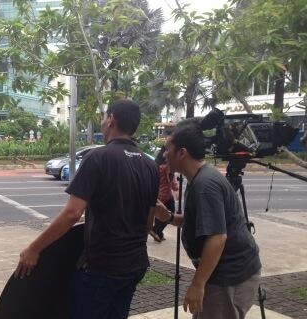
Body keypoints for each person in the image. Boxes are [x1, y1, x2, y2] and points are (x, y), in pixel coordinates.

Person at [16, 100, 159, 319]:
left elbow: (73, 213)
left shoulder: (98, 158)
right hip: (135, 265)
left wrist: (34, 248)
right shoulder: (150, 165)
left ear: (111, 120)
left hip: (104, 268)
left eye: (104, 117)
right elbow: (149, 223)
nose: (102, 121)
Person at [154, 123, 261, 319]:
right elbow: (202, 223)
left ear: (182, 153)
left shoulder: (205, 185)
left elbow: (217, 238)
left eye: (167, 149)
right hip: (223, 275)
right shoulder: (199, 178)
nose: (164, 155)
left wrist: (197, 284)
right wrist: (168, 217)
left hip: (229, 278)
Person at [149, 145, 178, 242]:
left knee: (160, 215)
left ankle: (159, 233)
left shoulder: (156, 165)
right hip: (164, 194)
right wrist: (175, 187)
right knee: (170, 215)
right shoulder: (165, 167)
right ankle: (155, 230)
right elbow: (171, 179)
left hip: (160, 194)